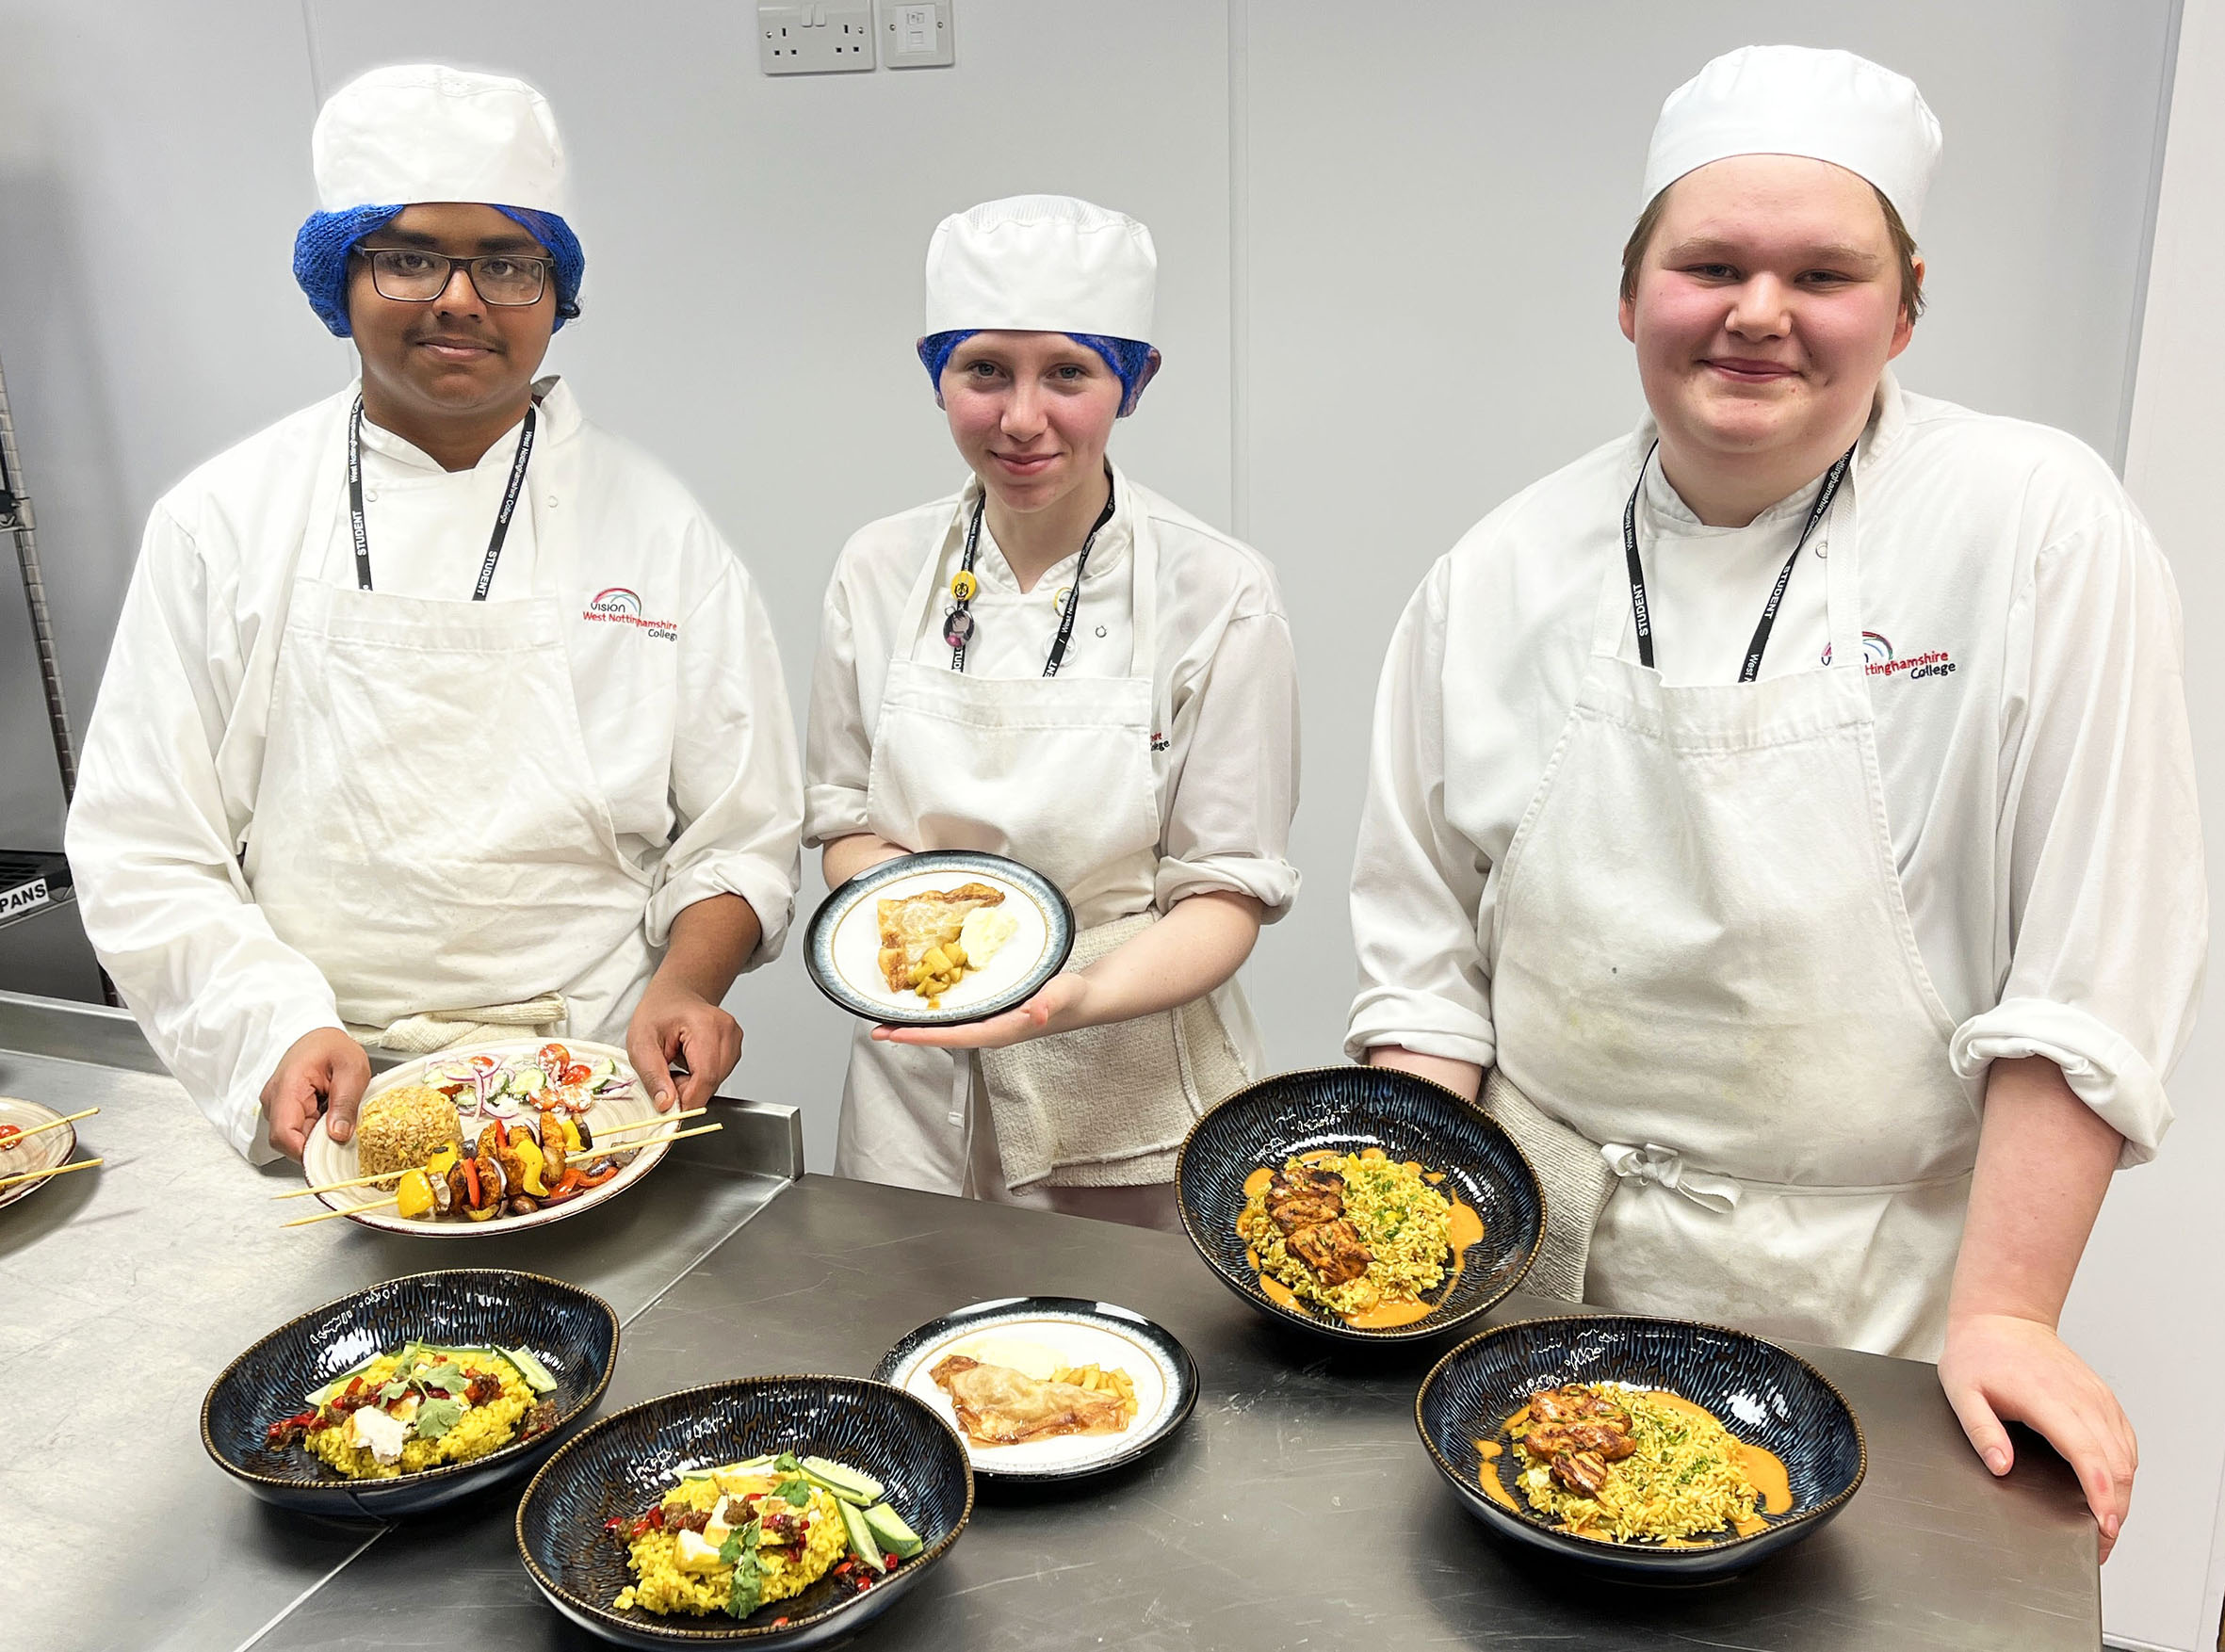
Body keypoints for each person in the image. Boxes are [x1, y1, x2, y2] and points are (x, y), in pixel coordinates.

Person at [1345, 45, 2203, 1558]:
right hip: (1532, 1279)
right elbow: (1425, 963)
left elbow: (2091, 961)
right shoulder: (1493, 572)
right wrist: (1400, 1250)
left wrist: (2005, 1309)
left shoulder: (2032, 526)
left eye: (1822, 272)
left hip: (1872, 1292)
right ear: (1629, 295)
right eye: (1709, 264)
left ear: (1906, 303)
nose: (1757, 312)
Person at [66, 65, 803, 1160]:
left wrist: (687, 983)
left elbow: (740, 832)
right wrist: (278, 1030)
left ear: (555, 295)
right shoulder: (222, 522)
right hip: (325, 1091)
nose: (460, 297)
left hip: (593, 1087)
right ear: (338, 277)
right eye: (410, 257)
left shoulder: (658, 530)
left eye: (506, 262)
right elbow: (145, 844)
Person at [806, 195, 1300, 1230]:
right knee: (912, 1347)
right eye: (983, 369)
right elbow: (847, 818)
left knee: (1096, 1376)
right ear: (935, 373)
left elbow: (1225, 892)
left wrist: (1059, 998)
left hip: (1125, 1081)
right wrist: (929, 940)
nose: (1020, 417)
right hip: (915, 1075)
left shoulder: (1218, 588)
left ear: (1133, 382)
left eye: (1067, 373)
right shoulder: (880, 565)